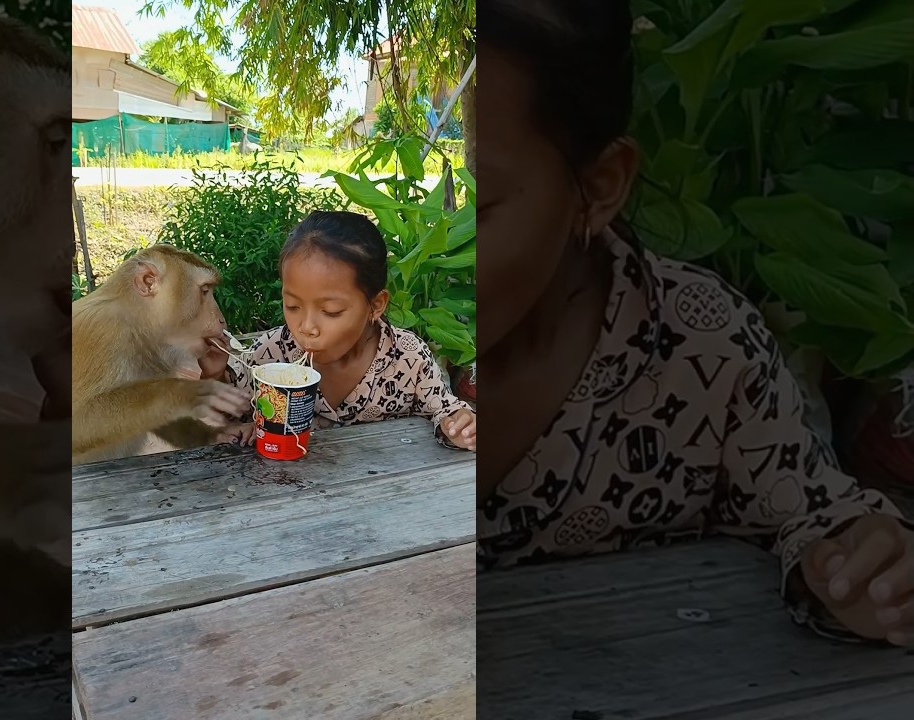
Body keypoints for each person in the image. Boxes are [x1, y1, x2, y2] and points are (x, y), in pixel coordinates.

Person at [477, 0, 914, 647]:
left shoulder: (703, 351)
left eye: (473, 203)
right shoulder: (361, 344)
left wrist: (861, 570)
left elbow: (816, 514)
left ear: (598, 187)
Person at [209, 210, 476, 451]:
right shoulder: (271, 354)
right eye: (292, 306)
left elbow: (444, 410)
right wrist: (216, 375)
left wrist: (459, 426)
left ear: (375, 305)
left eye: (331, 311)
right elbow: (231, 418)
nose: (307, 327)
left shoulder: (407, 359)